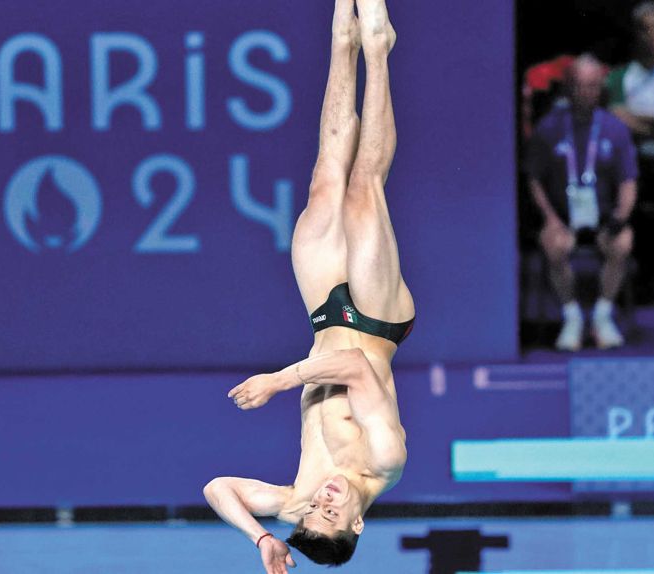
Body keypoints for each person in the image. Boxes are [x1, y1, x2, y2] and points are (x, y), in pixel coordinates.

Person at [203, 0, 414, 570]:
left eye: (314, 512)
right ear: (357, 523)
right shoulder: (384, 460)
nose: (323, 500)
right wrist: (278, 381)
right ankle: (379, 48)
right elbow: (357, 370)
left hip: (325, 318)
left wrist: (262, 538)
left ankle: (342, 38)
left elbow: (218, 488)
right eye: (332, 512)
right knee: (364, 187)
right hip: (375, 322)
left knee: (325, 177)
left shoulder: (298, 500)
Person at [526, 55, 639, 351]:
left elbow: (628, 181)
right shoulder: (548, 128)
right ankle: (572, 316)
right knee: (554, 244)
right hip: (563, 216)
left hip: (603, 216)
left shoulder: (615, 128)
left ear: (600, 88)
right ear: (568, 87)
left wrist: (620, 216)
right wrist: (550, 218)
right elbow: (534, 179)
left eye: (592, 86)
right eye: (579, 85)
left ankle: (602, 315)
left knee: (622, 242)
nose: (585, 92)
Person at [607, 1, 654, 302]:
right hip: (636, 167)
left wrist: (640, 121)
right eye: (646, 29)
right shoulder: (621, 76)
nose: (653, 35)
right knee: (639, 224)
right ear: (636, 33)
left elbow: (634, 119)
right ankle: (644, 285)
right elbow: (618, 117)